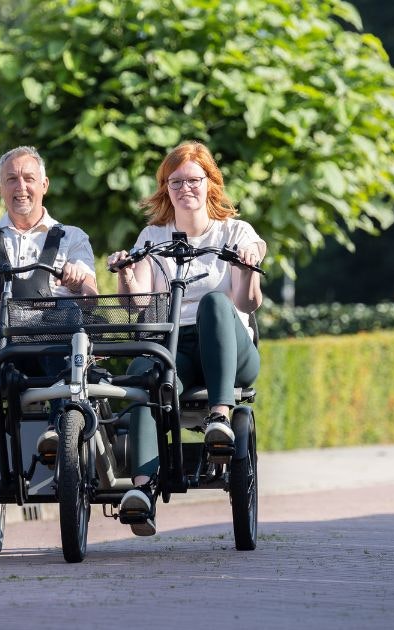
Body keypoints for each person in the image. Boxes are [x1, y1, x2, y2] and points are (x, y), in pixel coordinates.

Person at [0, 145, 98, 541]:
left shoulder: (71, 238)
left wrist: (80, 280)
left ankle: (57, 435)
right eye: (12, 179)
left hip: (51, 339)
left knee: (67, 371)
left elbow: (93, 300)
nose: (20, 187)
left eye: (28, 178)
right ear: (0, 186)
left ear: (44, 184)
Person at [107, 141, 265, 536]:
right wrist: (125, 271)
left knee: (214, 303)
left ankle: (220, 415)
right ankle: (142, 492)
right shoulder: (153, 236)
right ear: (166, 188)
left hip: (230, 344)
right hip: (178, 348)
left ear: (210, 183)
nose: (185, 189)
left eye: (193, 180)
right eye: (175, 182)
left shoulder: (234, 231)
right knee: (145, 375)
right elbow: (139, 304)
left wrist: (248, 264)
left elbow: (248, 301)